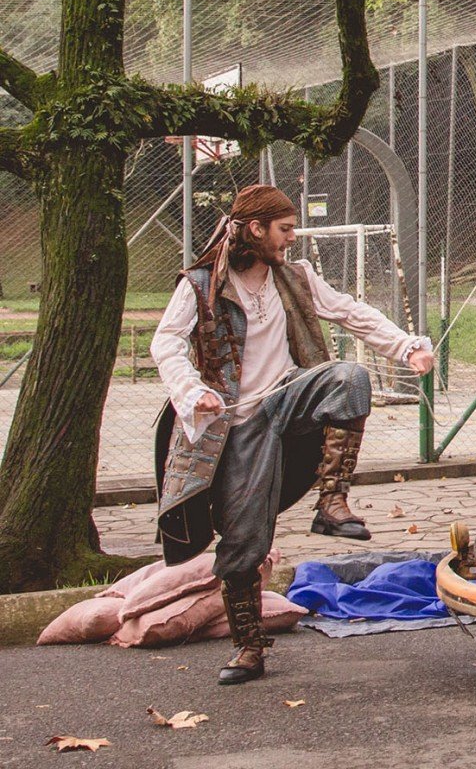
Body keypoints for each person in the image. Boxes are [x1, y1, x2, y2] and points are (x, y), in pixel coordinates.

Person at [152, 184, 436, 684]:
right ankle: (248, 648)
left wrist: (406, 347)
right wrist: (192, 389)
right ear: (256, 229)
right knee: (243, 545)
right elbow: (167, 342)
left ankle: (333, 503)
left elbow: (350, 311)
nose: (291, 239)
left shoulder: (295, 277)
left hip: (287, 399)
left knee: (349, 378)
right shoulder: (201, 284)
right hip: (236, 427)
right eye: (284, 230)